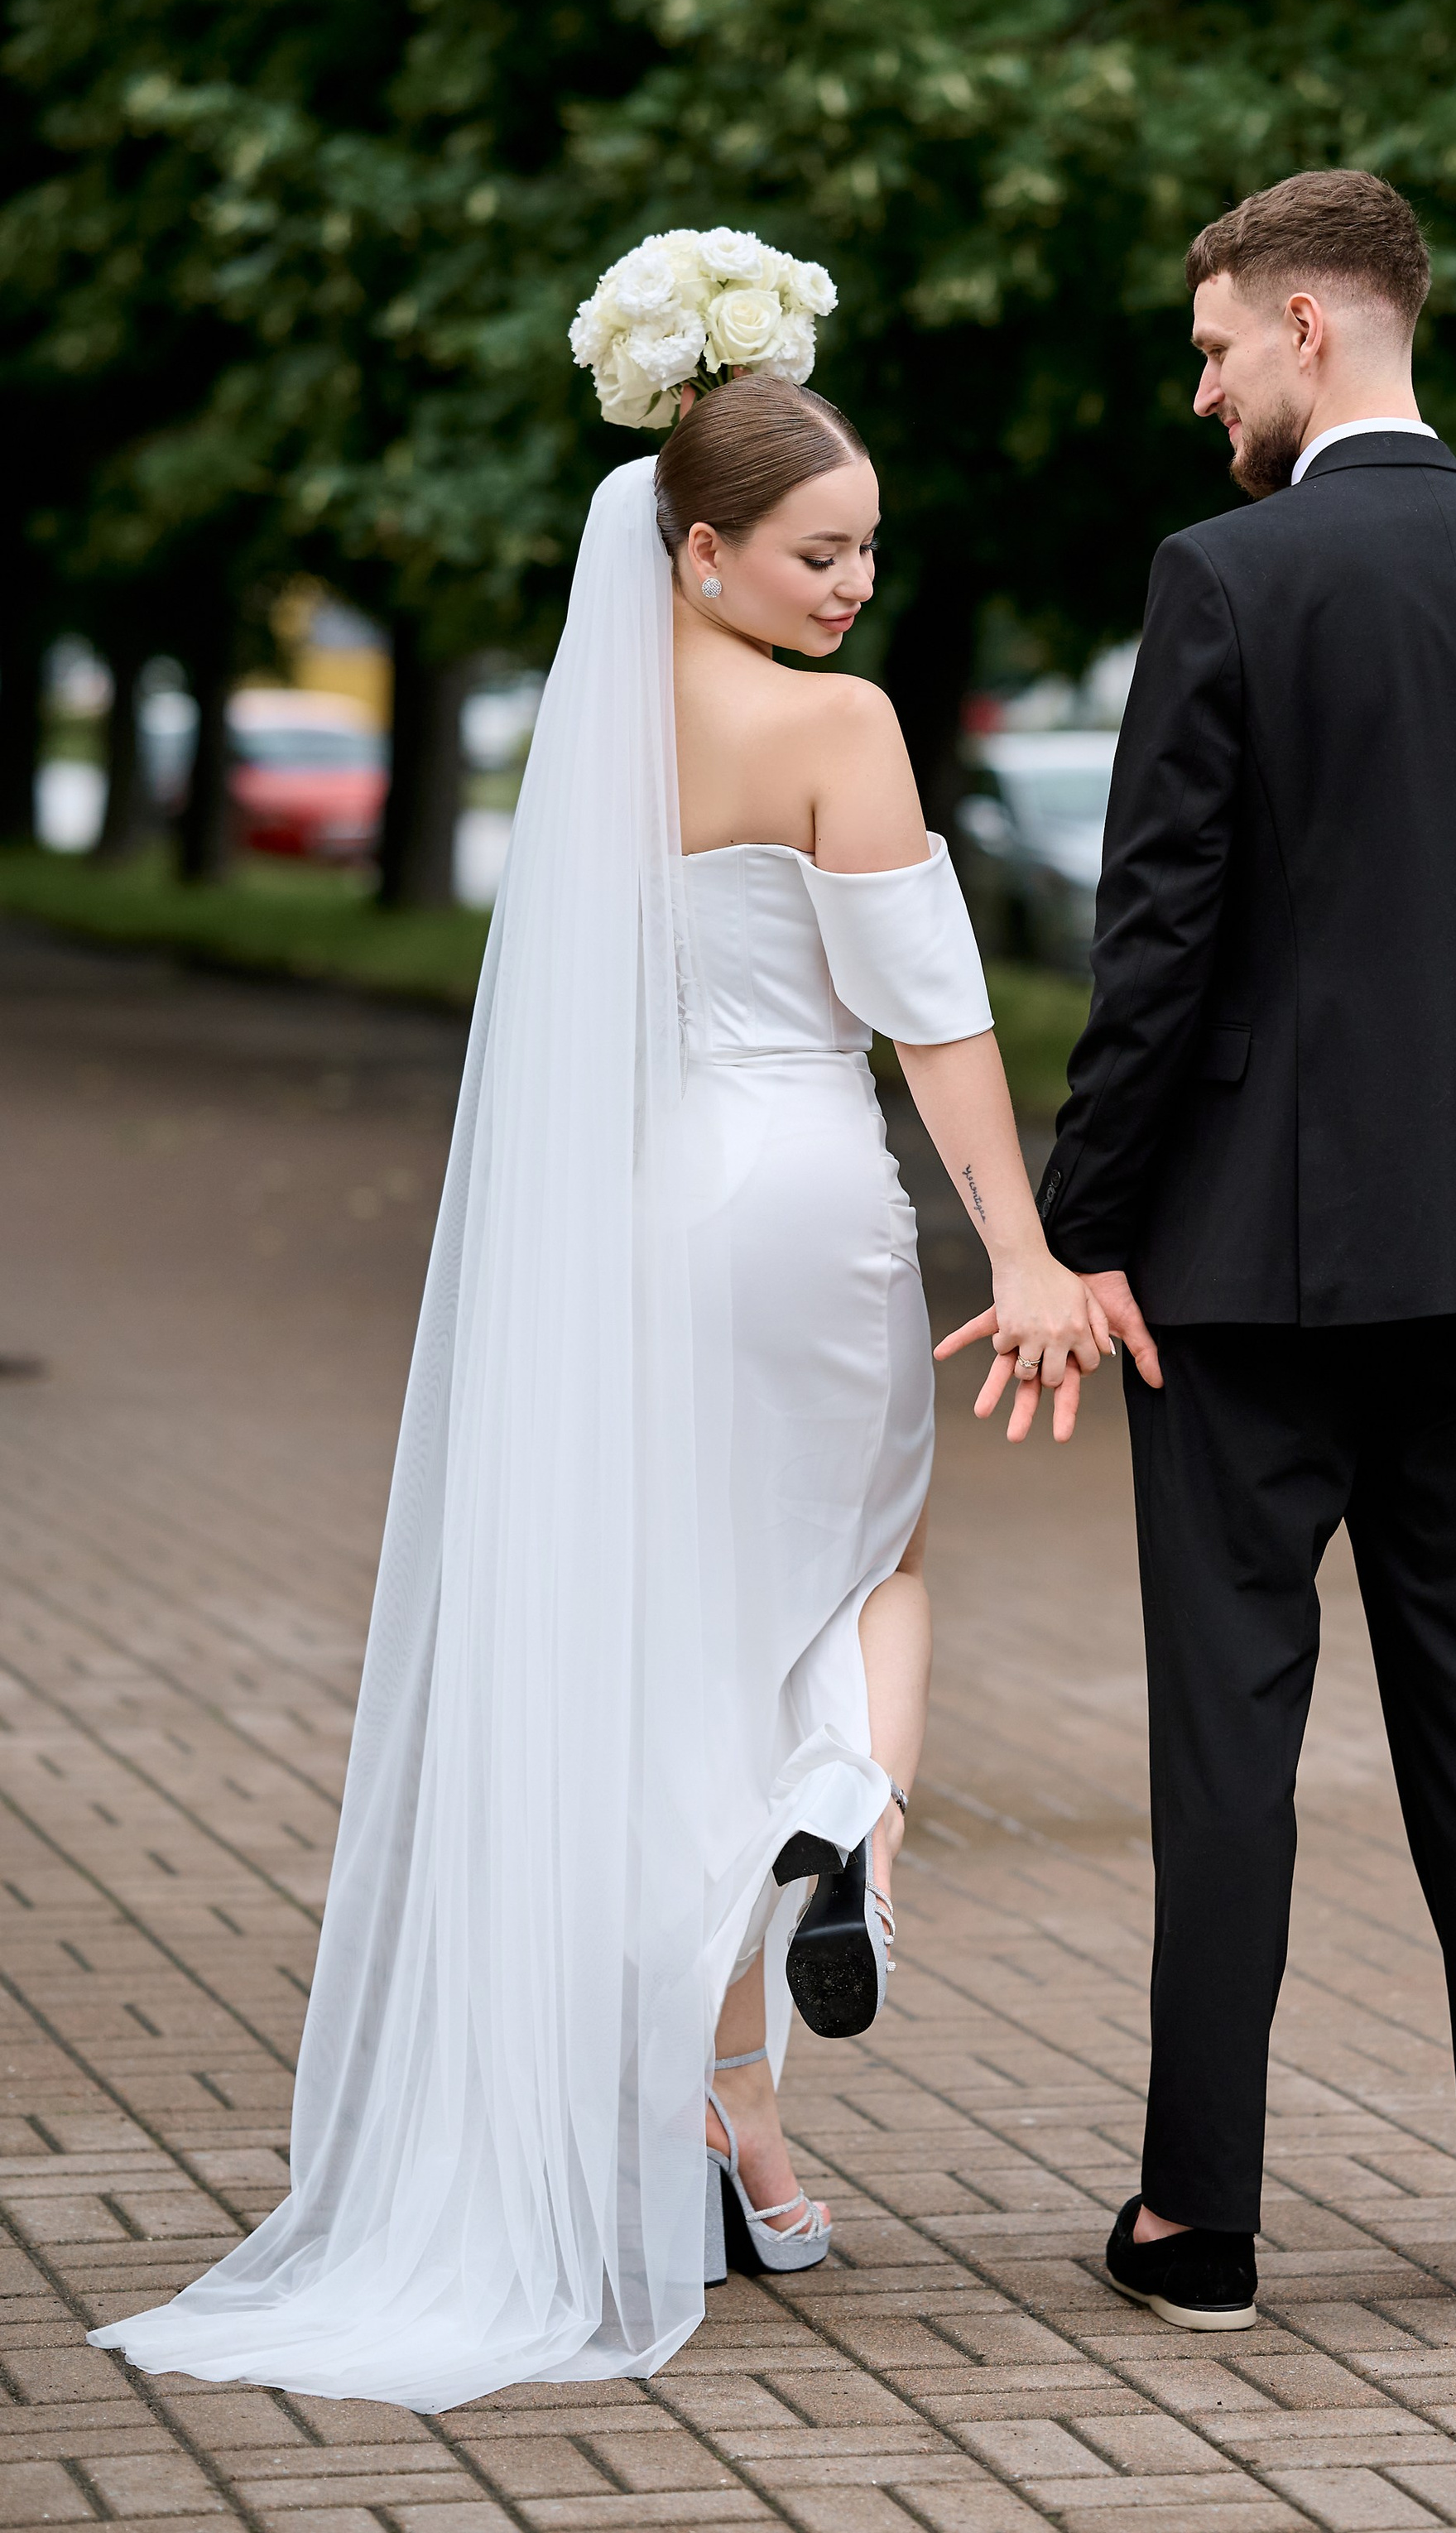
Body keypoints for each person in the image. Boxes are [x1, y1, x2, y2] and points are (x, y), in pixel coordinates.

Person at [90, 279, 1106, 2408]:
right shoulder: (841, 731)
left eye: (867, 552)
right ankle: (844, 1818)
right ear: (700, 542)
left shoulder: (595, 722)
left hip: (640, 1228)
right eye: (821, 551)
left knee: (666, 1641)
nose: (853, 584)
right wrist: (1019, 1250)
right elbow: (934, 1013)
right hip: (807, 1202)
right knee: (864, 1578)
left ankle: (729, 2114)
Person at [1021, 168, 1456, 2337]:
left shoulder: (1224, 581)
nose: (1200, 385)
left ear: (1314, 324)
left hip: (1229, 1275)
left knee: (1232, 1735)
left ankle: (1196, 2226)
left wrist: (1080, 1229)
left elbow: (1161, 953)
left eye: (1215, 342)